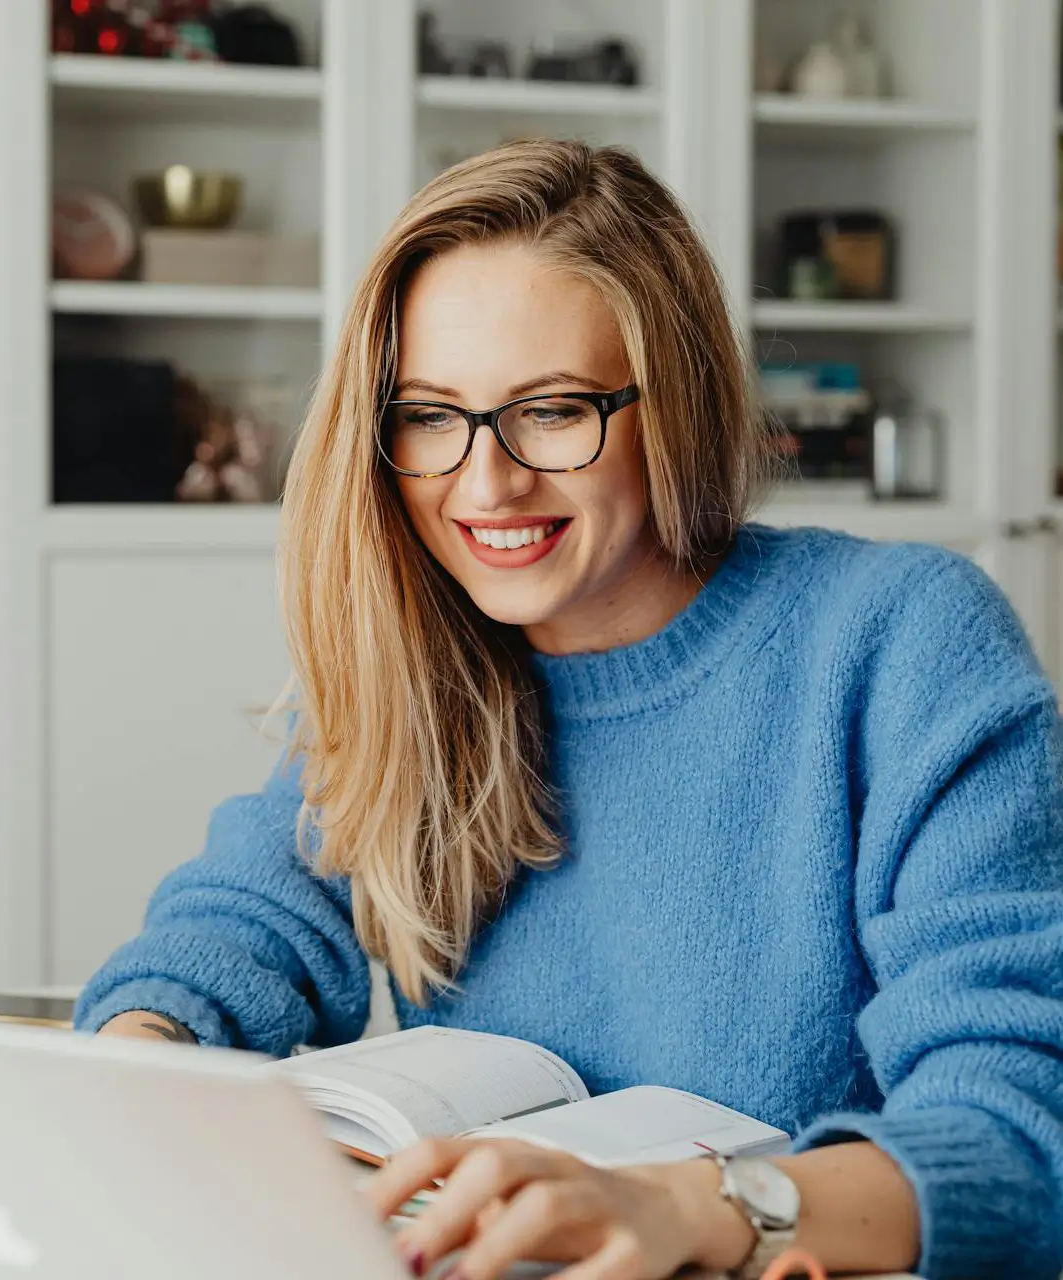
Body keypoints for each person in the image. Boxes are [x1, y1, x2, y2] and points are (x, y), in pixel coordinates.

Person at [75, 139, 1063, 1280]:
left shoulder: (900, 642)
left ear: (673, 402)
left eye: (548, 411)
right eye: (431, 415)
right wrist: (133, 1064)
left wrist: (696, 1208)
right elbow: (236, 924)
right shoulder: (425, 659)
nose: (484, 484)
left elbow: (1019, 1135)